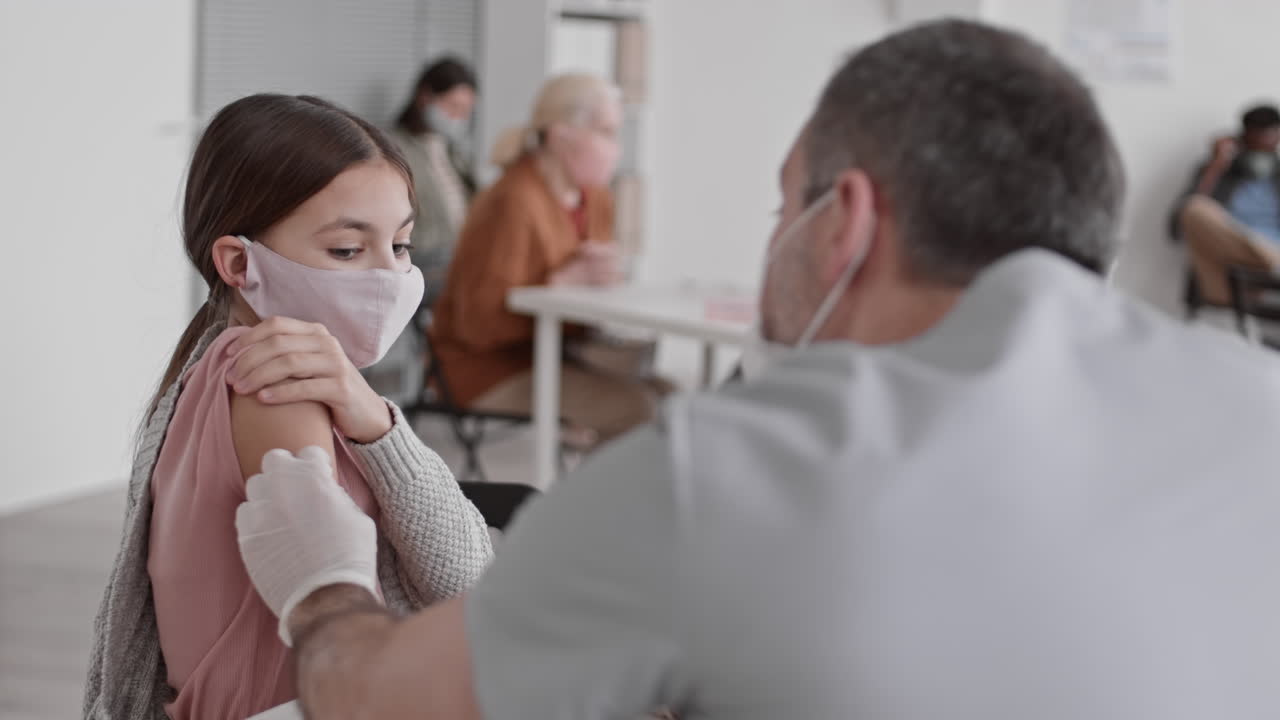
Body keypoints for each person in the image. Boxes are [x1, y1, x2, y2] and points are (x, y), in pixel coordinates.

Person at [238, 20, 1280, 720]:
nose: (773, 231)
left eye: (783, 203)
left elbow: (382, 700)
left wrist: (323, 584)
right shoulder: (1254, 401)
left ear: (848, 221)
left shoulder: (723, 477)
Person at [83, 94, 493, 720]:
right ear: (240, 262)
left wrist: (375, 421)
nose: (388, 276)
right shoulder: (273, 383)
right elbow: (463, 584)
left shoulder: (231, 367)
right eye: (348, 251)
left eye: (402, 246)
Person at [430, 73, 667, 446]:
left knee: (675, 399)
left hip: (556, 356)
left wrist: (602, 278)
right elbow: (475, 324)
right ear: (560, 136)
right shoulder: (512, 202)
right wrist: (559, 284)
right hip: (487, 371)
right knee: (638, 408)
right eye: (606, 132)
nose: (616, 148)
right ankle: (594, 504)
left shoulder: (597, 199)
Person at [390, 56, 479, 303]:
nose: (459, 118)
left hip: (460, 254)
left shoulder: (454, 152)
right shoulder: (392, 148)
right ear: (426, 97)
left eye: (465, 111)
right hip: (425, 258)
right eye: (453, 107)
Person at [1172, 104, 1280, 304]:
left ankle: (1268, 269)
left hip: (1274, 249)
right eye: (1256, 139)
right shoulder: (1220, 171)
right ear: (1243, 138)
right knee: (1195, 208)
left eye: (1270, 139)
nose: (1264, 146)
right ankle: (1263, 273)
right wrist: (1215, 167)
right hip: (1235, 254)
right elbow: (1176, 228)